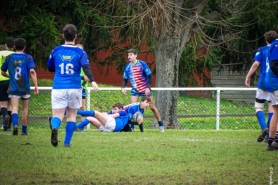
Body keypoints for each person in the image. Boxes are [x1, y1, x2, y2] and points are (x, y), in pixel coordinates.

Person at [47, 24, 98, 147]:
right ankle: (66, 143)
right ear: (76, 36)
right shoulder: (80, 52)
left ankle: (54, 127)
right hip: (75, 87)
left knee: (58, 114)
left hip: (59, 86)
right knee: (71, 115)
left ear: (63, 36)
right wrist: (93, 81)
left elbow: (50, 67)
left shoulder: (56, 50)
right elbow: (86, 67)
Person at [1, 38, 39, 135]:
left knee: (14, 108)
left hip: (13, 86)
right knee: (25, 108)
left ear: (14, 46)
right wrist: (36, 85)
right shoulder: (28, 57)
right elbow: (32, 71)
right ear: (24, 47)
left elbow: (3, 71)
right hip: (25, 86)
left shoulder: (9, 57)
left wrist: (10, 76)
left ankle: (15, 125)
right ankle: (24, 131)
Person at [121, 48, 164, 132]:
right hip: (135, 90)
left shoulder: (142, 64)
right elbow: (125, 80)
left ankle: (161, 125)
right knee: (132, 107)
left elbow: (150, 76)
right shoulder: (127, 67)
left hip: (145, 89)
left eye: (131, 55)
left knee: (152, 106)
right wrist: (123, 87)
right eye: (128, 55)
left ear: (136, 55)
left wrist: (148, 87)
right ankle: (132, 128)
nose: (129, 56)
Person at [245, 31, 276, 142]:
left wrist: (248, 76)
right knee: (272, 109)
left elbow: (256, 64)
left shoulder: (262, 50)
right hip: (273, 82)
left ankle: (264, 128)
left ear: (266, 40)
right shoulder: (275, 50)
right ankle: (270, 136)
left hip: (263, 82)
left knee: (258, 107)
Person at [264, 30, 278, 151]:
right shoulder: (277, 44)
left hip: (270, 82)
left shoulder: (273, 44)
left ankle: (271, 142)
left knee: (276, 112)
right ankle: (276, 141)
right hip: (275, 82)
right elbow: (274, 64)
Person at [0, 38, 14, 131]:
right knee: (11, 105)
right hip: (12, 81)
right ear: (13, 46)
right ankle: (8, 126)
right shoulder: (13, 55)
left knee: (2, 104)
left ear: (5, 45)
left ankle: (5, 117)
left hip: (1, 80)